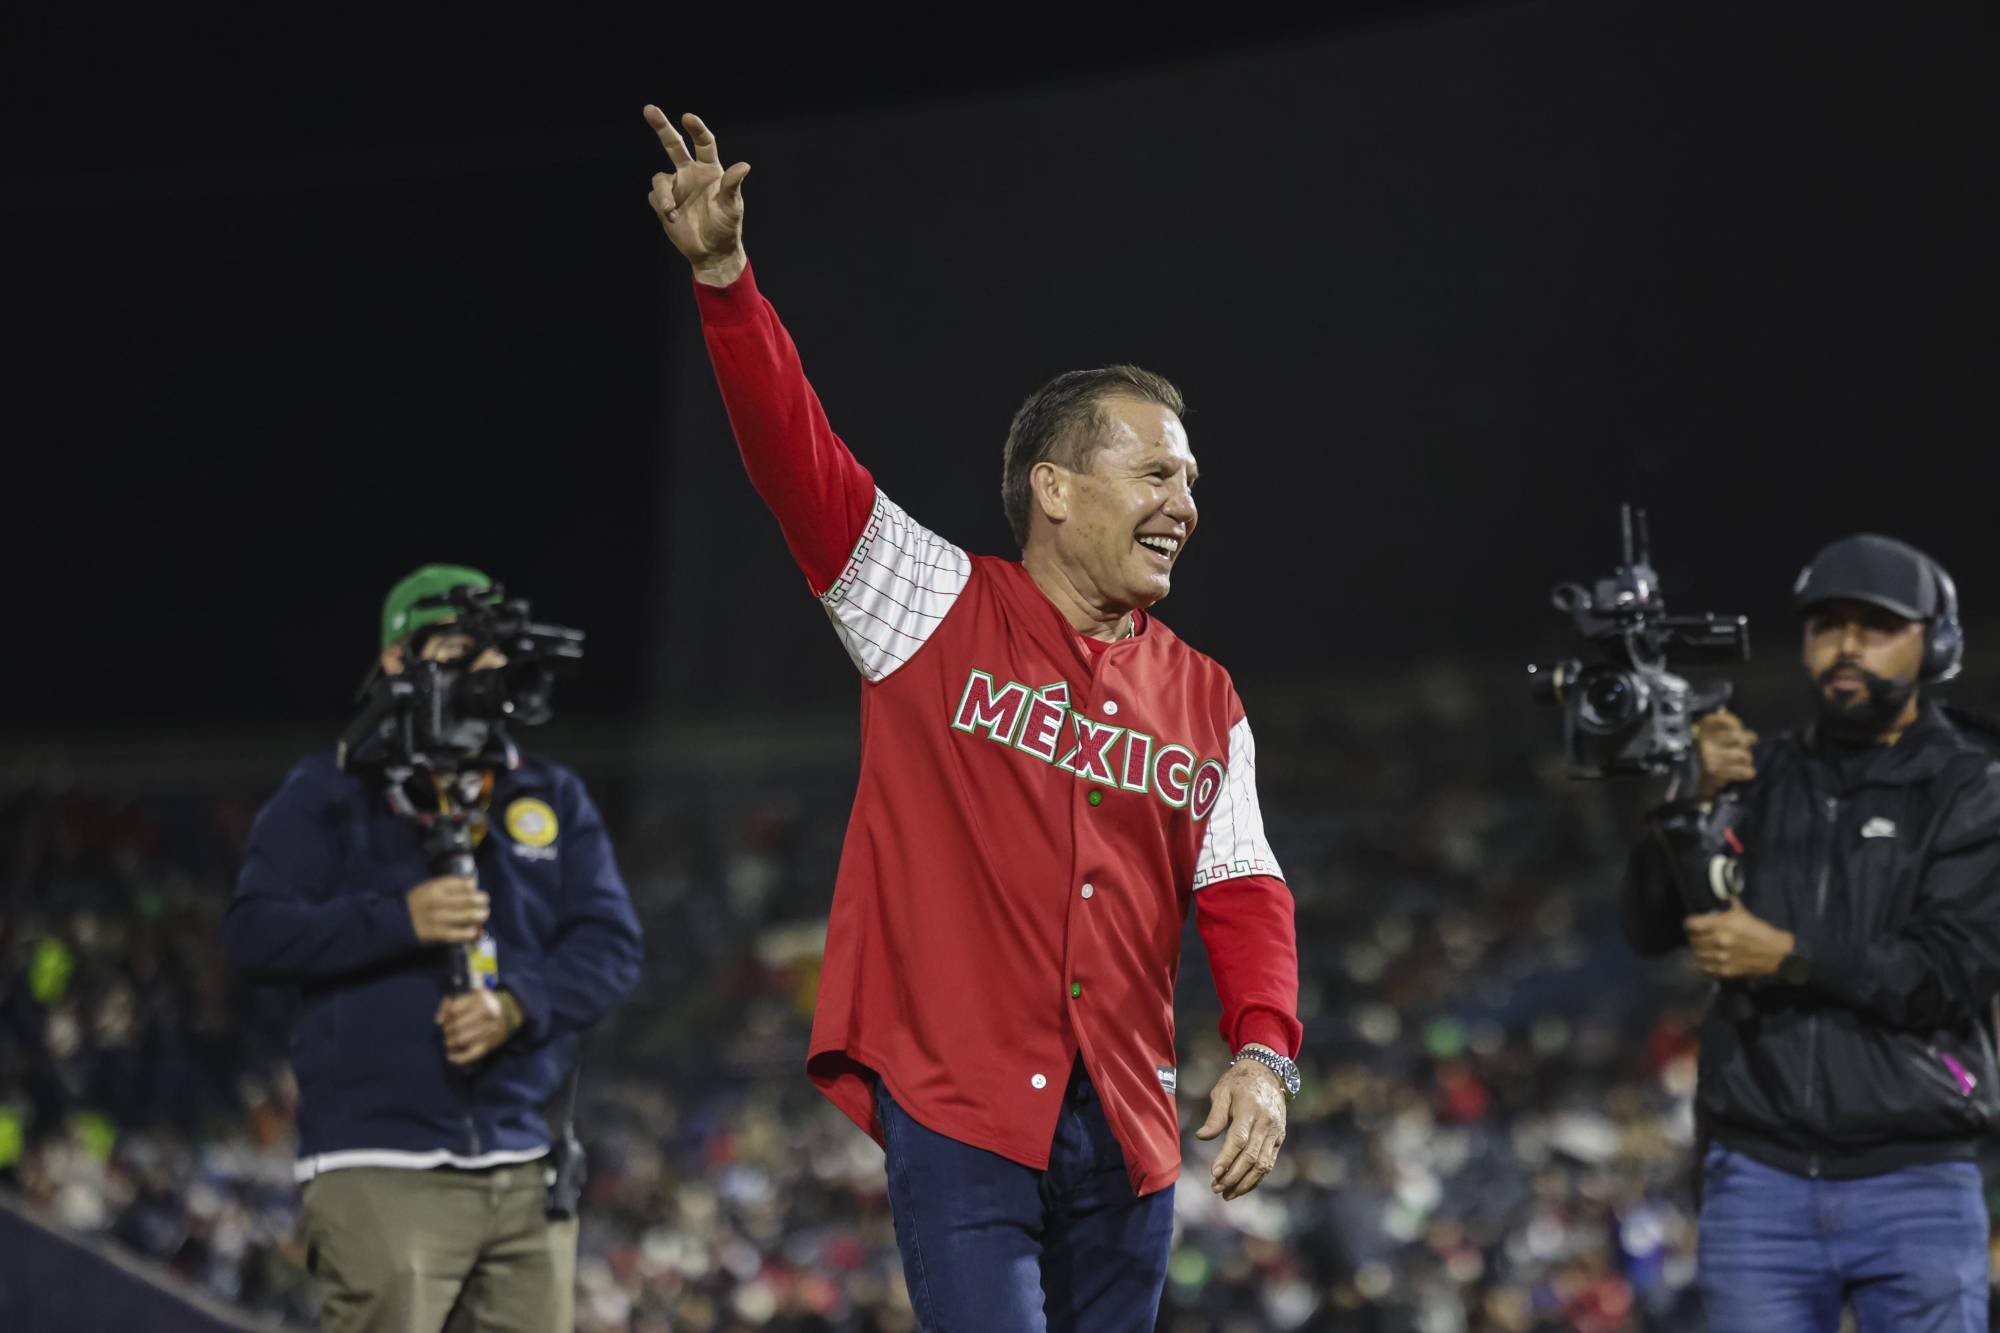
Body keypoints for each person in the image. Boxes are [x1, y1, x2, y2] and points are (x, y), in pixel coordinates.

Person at [642, 105, 1304, 1330]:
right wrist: (727, 285)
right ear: (1054, 487)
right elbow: (800, 461)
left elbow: (1243, 889)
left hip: (1130, 1124)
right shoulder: (930, 604)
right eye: (1155, 473)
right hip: (959, 1106)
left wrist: (1263, 1052)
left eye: (1193, 483)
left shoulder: (1207, 698)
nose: (1185, 505)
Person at [222, 564, 642, 1333]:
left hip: (522, 1160)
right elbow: (253, 933)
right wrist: (397, 918)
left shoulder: (546, 793)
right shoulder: (330, 789)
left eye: (493, 655)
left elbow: (612, 945)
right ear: (396, 658)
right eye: (459, 647)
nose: (483, 671)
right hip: (380, 1158)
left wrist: (518, 1003)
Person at [1621, 533, 2000, 1332]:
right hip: (1758, 1176)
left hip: (1918, 1172)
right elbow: (1649, 925)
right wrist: (1682, 801)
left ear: (1937, 642)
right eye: (1828, 623)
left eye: (1877, 624)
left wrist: (1791, 957)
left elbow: (1952, 973)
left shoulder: (1971, 786)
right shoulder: (1763, 775)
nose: (1847, 644)